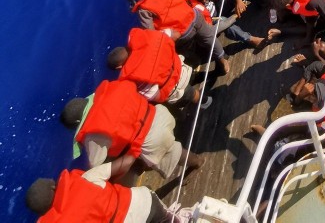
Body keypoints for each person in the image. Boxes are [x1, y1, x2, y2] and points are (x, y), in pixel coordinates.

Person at [60, 80, 202, 179]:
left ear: (79, 122)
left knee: (167, 153)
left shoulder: (92, 133)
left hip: (152, 138)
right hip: (158, 113)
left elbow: (96, 163)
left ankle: (197, 162)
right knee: (162, 145)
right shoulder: (111, 89)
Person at [25, 168, 174, 223]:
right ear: (53, 187)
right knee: (165, 217)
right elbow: (122, 164)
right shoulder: (84, 179)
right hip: (146, 203)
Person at [106, 28, 207, 109]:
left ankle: (205, 102)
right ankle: (202, 78)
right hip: (182, 66)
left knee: (188, 95)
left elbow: (156, 96)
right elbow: (175, 34)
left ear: (119, 66)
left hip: (178, 84)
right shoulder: (149, 37)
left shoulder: (136, 79)